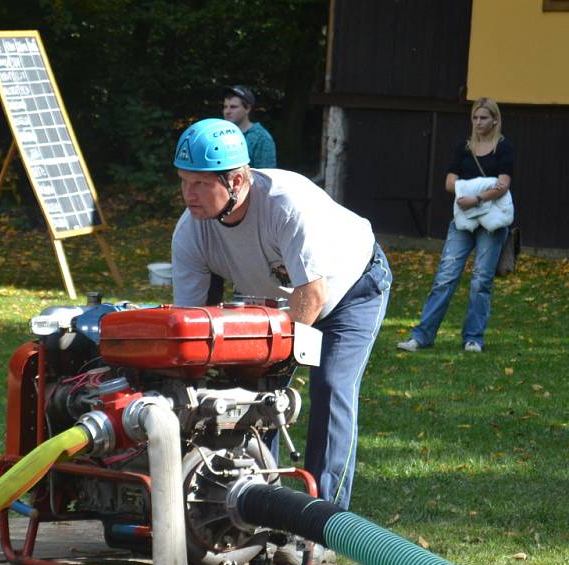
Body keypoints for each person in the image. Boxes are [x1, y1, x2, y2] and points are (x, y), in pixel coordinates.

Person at [171, 118, 392, 515]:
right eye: (184, 181)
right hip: (275, 301)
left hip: (350, 290)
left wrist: (275, 366)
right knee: (248, 393)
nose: (189, 194)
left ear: (236, 181)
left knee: (331, 386)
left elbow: (312, 293)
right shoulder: (191, 232)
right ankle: (254, 504)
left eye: (201, 183)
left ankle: (325, 521)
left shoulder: (286, 204)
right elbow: (193, 321)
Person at [397, 97, 513, 353]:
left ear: (495, 119)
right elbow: (450, 182)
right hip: (463, 220)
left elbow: (503, 184)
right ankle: (422, 336)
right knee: (445, 278)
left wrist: (476, 197)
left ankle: (474, 338)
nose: (479, 122)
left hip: (491, 223)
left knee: (481, 280)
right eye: (475, 117)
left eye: (484, 117)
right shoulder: (464, 147)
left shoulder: (503, 147)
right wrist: (475, 191)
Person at [222, 85, 277, 168]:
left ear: (247, 109)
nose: (227, 111)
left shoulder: (262, 138)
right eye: (225, 107)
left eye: (233, 107)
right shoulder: (220, 134)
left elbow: (266, 176)